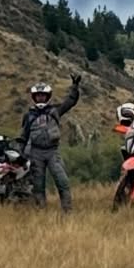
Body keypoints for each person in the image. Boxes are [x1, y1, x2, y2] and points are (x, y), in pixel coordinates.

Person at [19, 76, 81, 213]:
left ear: (48, 96)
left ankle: (68, 212)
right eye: (38, 96)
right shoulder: (29, 116)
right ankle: (41, 212)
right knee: (38, 185)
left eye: (43, 96)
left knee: (62, 181)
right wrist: (21, 154)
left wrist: (75, 87)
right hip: (35, 153)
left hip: (53, 151)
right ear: (34, 97)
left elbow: (70, 101)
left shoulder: (55, 111)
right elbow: (23, 137)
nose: (41, 98)